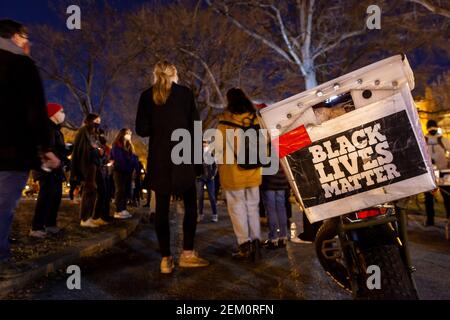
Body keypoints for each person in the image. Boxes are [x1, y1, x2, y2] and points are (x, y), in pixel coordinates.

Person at [136, 60, 209, 274]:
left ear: (155, 74)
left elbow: (141, 129)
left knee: (161, 208)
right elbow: (195, 128)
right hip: (183, 156)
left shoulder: (146, 96)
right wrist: (197, 163)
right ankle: (187, 253)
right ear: (174, 74)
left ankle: (166, 259)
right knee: (190, 205)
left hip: (159, 158)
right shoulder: (185, 94)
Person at [0, 20, 60, 274]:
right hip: (11, 150)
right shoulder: (22, 64)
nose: (28, 43)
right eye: (25, 37)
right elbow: (34, 109)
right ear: (15, 37)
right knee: (3, 206)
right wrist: (46, 148)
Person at [217, 88, 262, 261]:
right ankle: (257, 244)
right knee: (252, 208)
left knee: (237, 209)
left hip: (234, 172)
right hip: (253, 170)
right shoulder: (255, 118)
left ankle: (245, 246)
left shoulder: (225, 121)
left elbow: (220, 149)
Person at [30, 103, 70, 238]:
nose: (63, 114)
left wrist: (68, 151)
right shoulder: (46, 128)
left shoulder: (56, 129)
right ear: (53, 113)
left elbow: (58, 149)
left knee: (55, 197)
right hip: (46, 169)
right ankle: (37, 227)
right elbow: (46, 148)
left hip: (55, 169)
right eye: (61, 111)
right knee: (45, 197)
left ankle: (50, 224)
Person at [71, 113, 105, 228]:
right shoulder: (83, 131)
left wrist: (101, 152)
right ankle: (85, 218)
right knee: (89, 190)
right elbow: (79, 150)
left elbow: (97, 147)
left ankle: (91, 217)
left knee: (96, 191)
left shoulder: (94, 134)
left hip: (95, 165)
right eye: (96, 120)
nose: (98, 122)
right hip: (87, 165)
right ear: (90, 120)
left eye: (99, 120)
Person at [424, 119, 450, 227]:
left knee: (447, 196)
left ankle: (448, 218)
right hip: (430, 173)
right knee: (429, 198)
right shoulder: (423, 139)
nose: (432, 129)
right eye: (430, 127)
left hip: (443, 172)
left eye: (433, 127)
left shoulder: (443, 139)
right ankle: (430, 220)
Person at [111, 128, 138, 219]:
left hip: (128, 172)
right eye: (127, 133)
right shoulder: (116, 145)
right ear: (122, 134)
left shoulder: (130, 146)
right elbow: (119, 159)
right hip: (119, 171)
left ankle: (123, 209)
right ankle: (118, 210)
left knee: (126, 190)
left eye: (130, 133)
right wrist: (130, 160)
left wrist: (133, 164)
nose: (129, 135)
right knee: (120, 190)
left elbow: (134, 158)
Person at [260, 166, 290, 249]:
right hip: (282, 180)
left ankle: (273, 238)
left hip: (268, 182)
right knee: (281, 209)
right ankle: (283, 237)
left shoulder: (265, 152)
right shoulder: (281, 152)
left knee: (271, 210)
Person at [93, 129, 114, 222]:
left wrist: (108, 161)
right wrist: (105, 161)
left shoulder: (105, 146)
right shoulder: (96, 144)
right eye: (101, 135)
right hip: (98, 171)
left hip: (105, 172)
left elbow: (104, 158)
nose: (103, 136)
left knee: (106, 194)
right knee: (102, 194)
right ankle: (97, 216)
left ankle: (105, 215)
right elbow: (98, 158)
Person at [197, 140, 219, 223]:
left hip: (210, 178)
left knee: (212, 197)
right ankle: (200, 214)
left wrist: (213, 175)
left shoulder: (212, 154)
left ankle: (215, 214)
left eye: (205, 142)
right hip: (200, 178)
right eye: (202, 142)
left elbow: (216, 166)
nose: (204, 144)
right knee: (200, 197)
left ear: (208, 144)